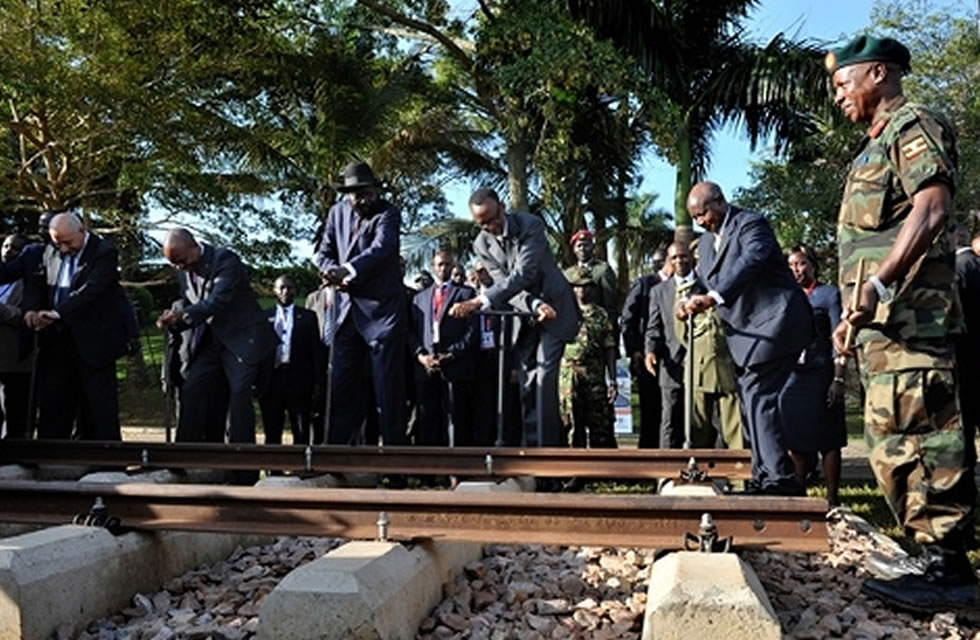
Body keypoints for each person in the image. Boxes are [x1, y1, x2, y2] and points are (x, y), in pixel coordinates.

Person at [827, 35, 977, 611]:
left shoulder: (912, 124)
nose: (839, 95)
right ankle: (933, 558)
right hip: (882, 329)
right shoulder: (872, 147)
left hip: (913, 323)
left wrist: (880, 284)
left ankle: (950, 569)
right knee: (892, 444)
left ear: (879, 74)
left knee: (923, 439)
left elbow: (933, 206)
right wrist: (855, 312)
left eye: (846, 83)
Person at [679, 182, 813, 495]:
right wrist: (687, 301)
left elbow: (750, 261)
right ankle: (767, 476)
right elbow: (701, 281)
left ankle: (779, 481)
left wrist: (713, 298)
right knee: (752, 397)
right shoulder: (706, 247)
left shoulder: (751, 224)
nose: (701, 222)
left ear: (719, 202)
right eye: (695, 218)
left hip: (778, 323)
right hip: (750, 336)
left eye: (703, 214)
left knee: (758, 394)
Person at [450, 187, 580, 447]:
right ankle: (531, 456)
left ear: (502, 208)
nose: (489, 227)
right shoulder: (481, 244)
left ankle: (549, 459)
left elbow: (524, 273)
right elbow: (506, 286)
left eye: (492, 219)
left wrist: (480, 300)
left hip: (555, 311)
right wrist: (534, 304)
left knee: (544, 379)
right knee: (528, 384)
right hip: (525, 314)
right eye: (482, 223)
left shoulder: (530, 224)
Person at [157, 228, 277, 450]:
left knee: (239, 394)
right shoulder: (183, 269)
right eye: (174, 264)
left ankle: (242, 466)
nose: (179, 267)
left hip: (241, 340)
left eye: (181, 261)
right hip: (211, 342)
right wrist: (172, 319)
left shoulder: (225, 260)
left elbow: (217, 301)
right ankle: (185, 456)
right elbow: (190, 303)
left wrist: (183, 316)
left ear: (194, 247)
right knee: (192, 387)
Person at [314, 161, 407, 446]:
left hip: (381, 311)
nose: (363, 199)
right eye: (356, 194)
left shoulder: (388, 213)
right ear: (347, 195)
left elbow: (382, 249)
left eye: (368, 192)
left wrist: (348, 270)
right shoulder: (336, 213)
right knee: (340, 384)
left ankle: (395, 459)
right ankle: (337, 454)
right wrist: (329, 269)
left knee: (386, 387)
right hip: (345, 311)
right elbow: (324, 250)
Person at [25, 213, 130, 440]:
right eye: (58, 243)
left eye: (68, 242)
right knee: (54, 399)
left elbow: (91, 291)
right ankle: (51, 457)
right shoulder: (50, 251)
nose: (63, 249)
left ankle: (107, 459)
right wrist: (32, 310)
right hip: (56, 338)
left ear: (82, 231)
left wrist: (57, 312)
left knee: (99, 403)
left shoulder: (104, 252)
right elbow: (38, 284)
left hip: (93, 339)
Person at [646, 242, 741, 449]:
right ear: (668, 262)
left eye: (683, 256)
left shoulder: (708, 288)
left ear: (692, 258)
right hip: (672, 363)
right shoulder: (658, 291)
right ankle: (667, 474)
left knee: (712, 421)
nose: (679, 261)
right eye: (674, 258)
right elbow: (654, 326)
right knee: (670, 419)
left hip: (705, 365)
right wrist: (650, 351)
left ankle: (717, 472)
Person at [780, 245, 846, 507]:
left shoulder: (828, 294)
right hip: (793, 376)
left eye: (801, 263)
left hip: (821, 373)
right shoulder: (784, 295)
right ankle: (799, 491)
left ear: (812, 265)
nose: (796, 269)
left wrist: (838, 378)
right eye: (792, 265)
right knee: (794, 436)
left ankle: (832, 497)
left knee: (828, 439)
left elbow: (839, 340)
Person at [408, 251, 479, 446]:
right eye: (439, 265)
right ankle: (428, 469)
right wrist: (421, 356)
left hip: (455, 365)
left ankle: (455, 469)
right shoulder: (419, 298)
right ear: (433, 267)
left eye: (447, 264)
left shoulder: (466, 294)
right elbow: (411, 331)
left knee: (456, 418)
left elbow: (472, 332)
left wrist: (452, 354)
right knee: (427, 417)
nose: (443, 269)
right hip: (427, 366)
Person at [259, 275, 324, 446]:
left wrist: (318, 382)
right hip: (271, 379)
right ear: (274, 291)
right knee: (272, 427)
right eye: (282, 287)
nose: (286, 291)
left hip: (299, 380)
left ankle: (300, 468)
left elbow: (315, 351)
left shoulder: (308, 317)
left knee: (301, 428)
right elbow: (259, 350)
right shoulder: (264, 317)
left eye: (290, 288)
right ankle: (274, 468)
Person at [560, 267, 618, 449]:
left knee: (599, 421)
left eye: (585, 286)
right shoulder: (563, 312)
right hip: (569, 374)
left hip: (594, 374)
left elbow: (609, 347)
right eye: (577, 287)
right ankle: (573, 468)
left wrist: (613, 379)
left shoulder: (600, 314)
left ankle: (602, 467)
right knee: (570, 420)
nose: (581, 291)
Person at [620, 252, 671, 448]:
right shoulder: (644, 284)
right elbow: (628, 319)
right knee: (650, 407)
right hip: (646, 355)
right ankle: (648, 453)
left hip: (672, 356)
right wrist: (634, 351)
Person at [0, 234, 32, 438]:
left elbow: (27, 311)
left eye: (14, 248)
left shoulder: (28, 281)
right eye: (4, 245)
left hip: (13, 353)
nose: (7, 251)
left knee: (14, 404)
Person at [564, 229, 619, 326]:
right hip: (573, 325)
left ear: (593, 247)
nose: (582, 248)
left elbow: (610, 301)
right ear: (574, 249)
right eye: (579, 246)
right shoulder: (568, 274)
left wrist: (609, 325)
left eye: (586, 245)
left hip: (597, 324)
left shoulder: (602, 270)